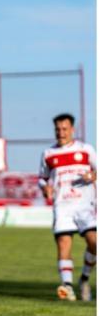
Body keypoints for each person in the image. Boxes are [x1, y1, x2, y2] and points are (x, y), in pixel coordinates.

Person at [38, 113, 96, 301]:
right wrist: (45, 187)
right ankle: (67, 287)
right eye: (57, 129)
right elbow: (42, 178)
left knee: (94, 242)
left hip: (85, 205)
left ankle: (84, 278)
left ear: (72, 129)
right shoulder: (48, 154)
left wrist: (93, 176)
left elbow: (97, 170)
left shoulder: (86, 150)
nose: (60, 133)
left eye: (64, 129)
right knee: (63, 243)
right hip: (62, 206)